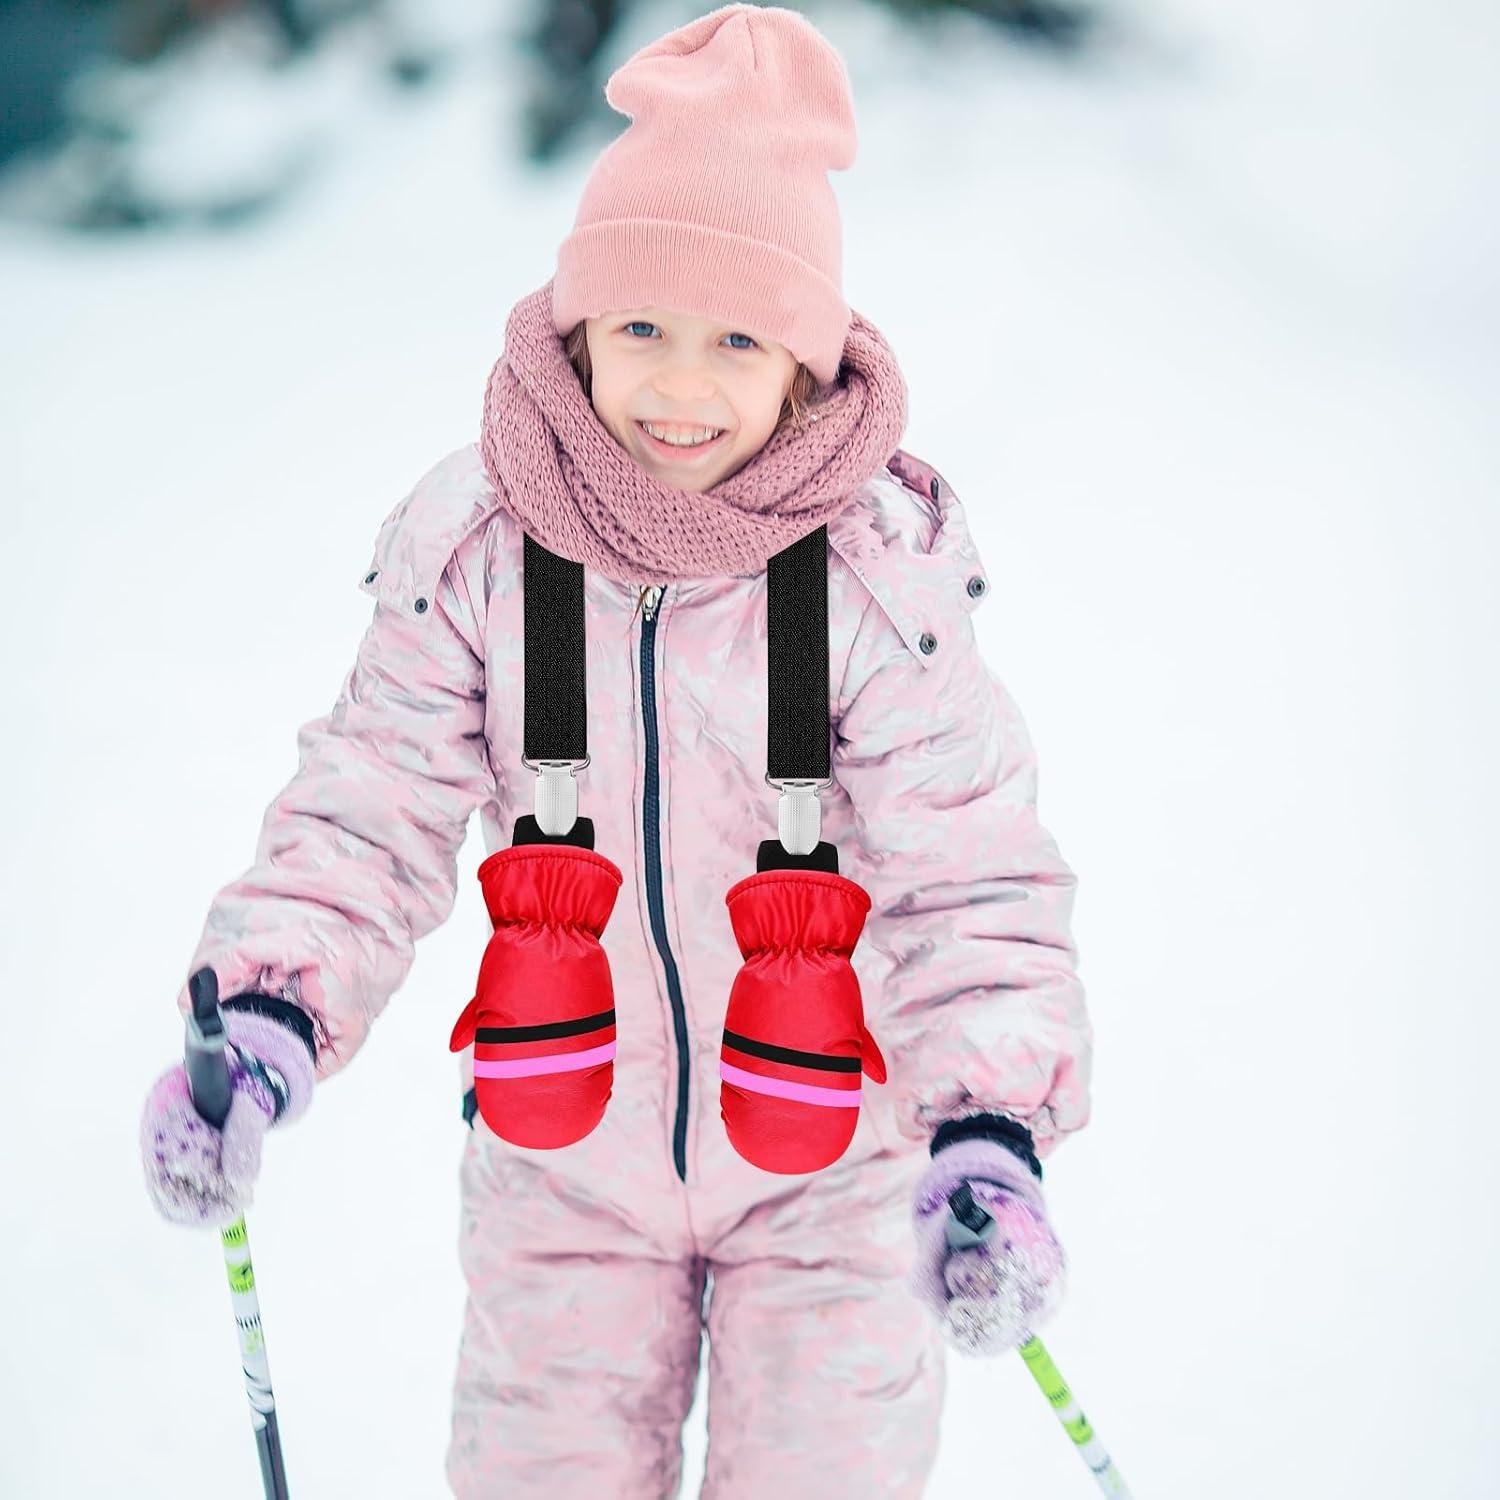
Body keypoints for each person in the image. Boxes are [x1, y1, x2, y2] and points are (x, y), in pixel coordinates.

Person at [138, 6, 1093, 1495]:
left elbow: (969, 873)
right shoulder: (482, 546)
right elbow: (373, 799)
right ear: (579, 328)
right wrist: (269, 1005)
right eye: (642, 327)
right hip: (562, 1173)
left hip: (833, 1181)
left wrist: (989, 1125)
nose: (681, 387)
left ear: (804, 368)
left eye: (736, 340)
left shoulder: (869, 584)